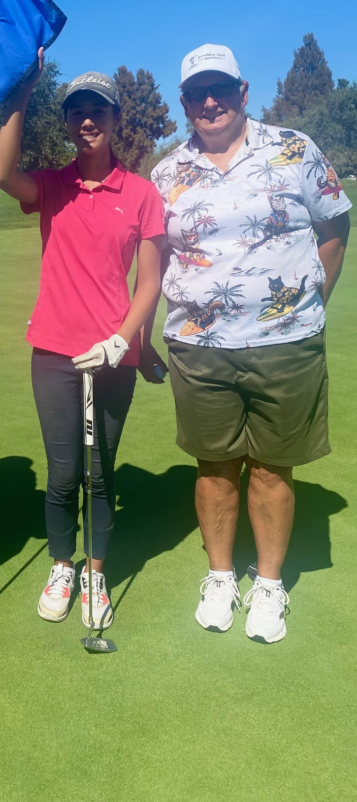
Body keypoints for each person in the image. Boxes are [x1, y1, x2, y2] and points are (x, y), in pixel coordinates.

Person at [151, 44, 351, 643]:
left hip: (285, 343)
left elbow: (335, 225)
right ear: (184, 103)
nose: (208, 101)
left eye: (219, 88)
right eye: (195, 93)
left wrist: (309, 300)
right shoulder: (166, 173)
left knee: (270, 467)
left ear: (242, 91)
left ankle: (268, 585)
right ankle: (220, 576)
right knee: (214, 466)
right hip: (197, 344)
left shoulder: (294, 148)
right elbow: (151, 256)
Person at [0, 50, 166, 631]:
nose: (87, 119)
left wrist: (124, 341)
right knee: (63, 471)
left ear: (116, 120)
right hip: (55, 352)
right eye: (76, 111)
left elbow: (151, 279)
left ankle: (94, 571)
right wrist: (21, 95)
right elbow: (0, 175)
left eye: (98, 110)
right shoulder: (50, 185)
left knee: (100, 471)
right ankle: (62, 566)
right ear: (66, 122)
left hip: (113, 357)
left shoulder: (141, 193)